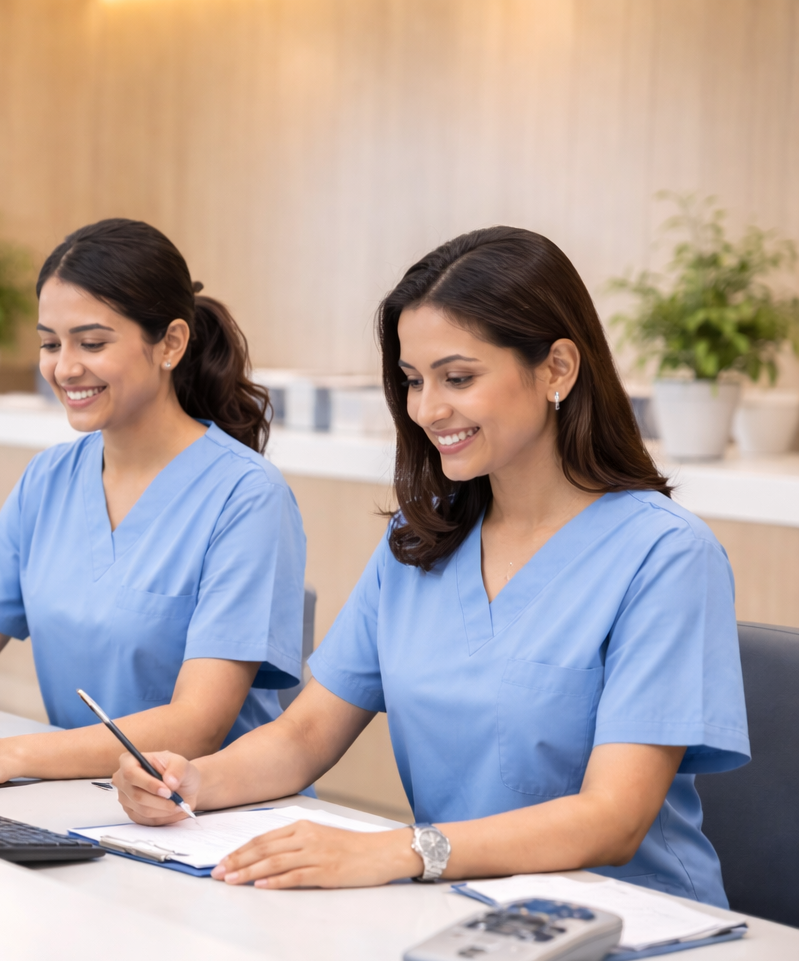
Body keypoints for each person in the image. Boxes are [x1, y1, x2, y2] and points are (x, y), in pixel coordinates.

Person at [113, 227, 750, 907]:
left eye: (459, 378)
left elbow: (612, 819)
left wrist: (401, 850)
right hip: (456, 908)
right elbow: (305, 735)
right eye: (414, 381)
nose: (426, 409)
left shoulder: (666, 555)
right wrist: (191, 782)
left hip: (633, 925)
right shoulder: (418, 542)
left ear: (557, 369)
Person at [0, 219, 307, 785]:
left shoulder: (247, 496)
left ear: (171, 344)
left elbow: (196, 726)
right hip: (80, 797)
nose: (64, 368)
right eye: (50, 343)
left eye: (92, 343)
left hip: (210, 812)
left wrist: (7, 756)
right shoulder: (48, 479)